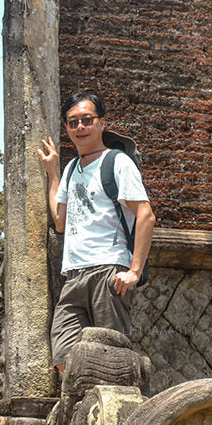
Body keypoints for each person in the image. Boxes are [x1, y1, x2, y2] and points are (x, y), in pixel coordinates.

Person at [36, 92, 155, 372]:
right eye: (73, 122)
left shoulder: (117, 162)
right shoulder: (71, 169)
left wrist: (134, 271)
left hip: (108, 270)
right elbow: (60, 222)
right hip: (74, 274)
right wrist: (53, 173)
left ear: (102, 123)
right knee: (64, 359)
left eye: (87, 120)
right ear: (67, 128)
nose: (80, 127)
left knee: (111, 359)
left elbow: (146, 215)